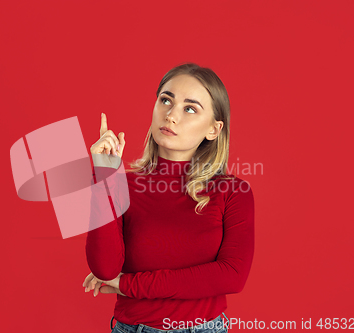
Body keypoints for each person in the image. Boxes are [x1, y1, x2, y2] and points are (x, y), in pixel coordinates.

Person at [82, 63, 255, 333]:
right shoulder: (122, 184)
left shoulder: (232, 192)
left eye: (190, 108)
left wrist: (129, 284)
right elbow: (105, 270)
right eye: (166, 100)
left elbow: (232, 276)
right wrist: (105, 176)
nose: (171, 115)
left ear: (214, 129)